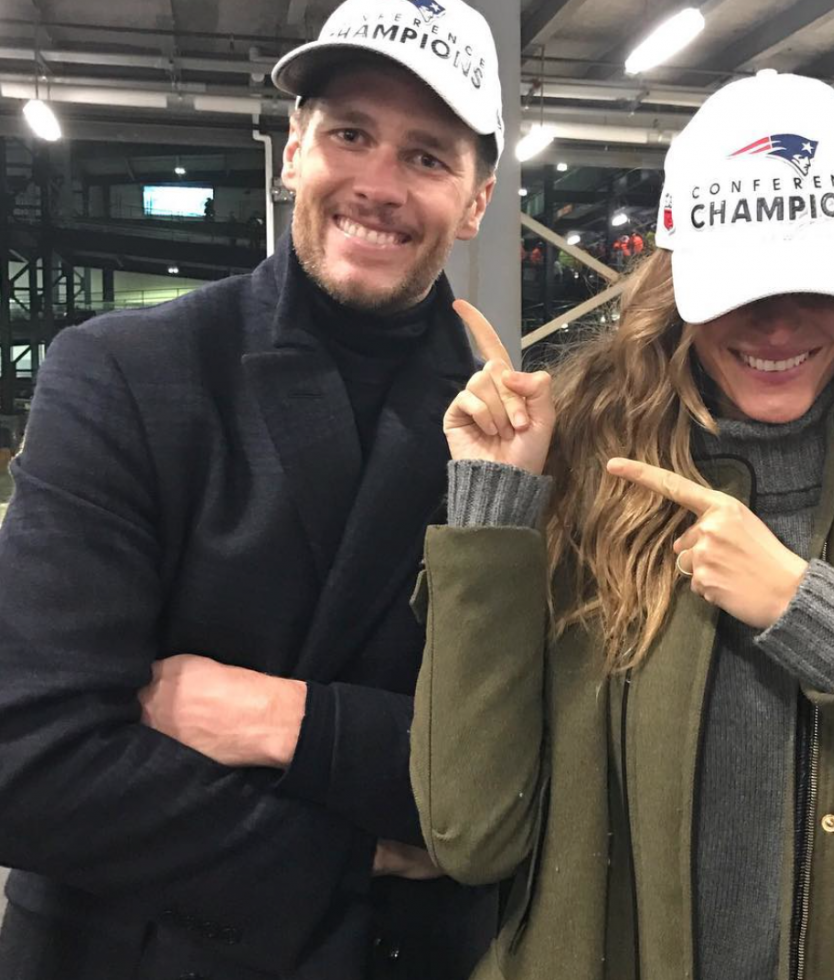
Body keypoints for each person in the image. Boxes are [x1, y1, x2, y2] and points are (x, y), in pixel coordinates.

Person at [410, 71, 834, 980]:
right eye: (743, 287)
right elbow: (471, 831)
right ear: (676, 285)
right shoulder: (588, 499)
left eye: (816, 284)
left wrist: (827, 625)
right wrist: (495, 519)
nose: (777, 325)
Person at [0, 0, 504, 978]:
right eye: (350, 134)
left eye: (428, 156)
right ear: (292, 150)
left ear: (479, 200)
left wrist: (278, 720)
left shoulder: (512, 434)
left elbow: (521, 766)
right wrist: (356, 851)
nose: (378, 184)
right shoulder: (125, 371)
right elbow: (30, 758)